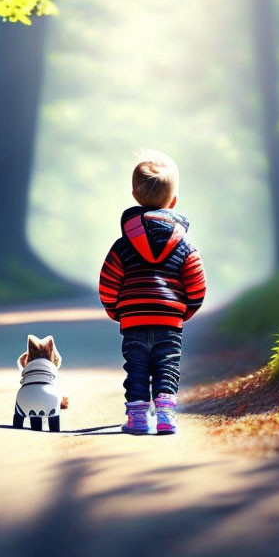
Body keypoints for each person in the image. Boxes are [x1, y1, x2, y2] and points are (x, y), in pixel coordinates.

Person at [98, 150, 206, 435]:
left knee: (136, 367)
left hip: (133, 319)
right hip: (170, 321)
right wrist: (184, 311)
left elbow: (108, 281)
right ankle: (166, 416)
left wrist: (116, 310)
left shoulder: (122, 246)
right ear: (173, 201)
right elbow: (197, 285)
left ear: (134, 196)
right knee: (166, 366)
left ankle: (136, 418)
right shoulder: (184, 247)